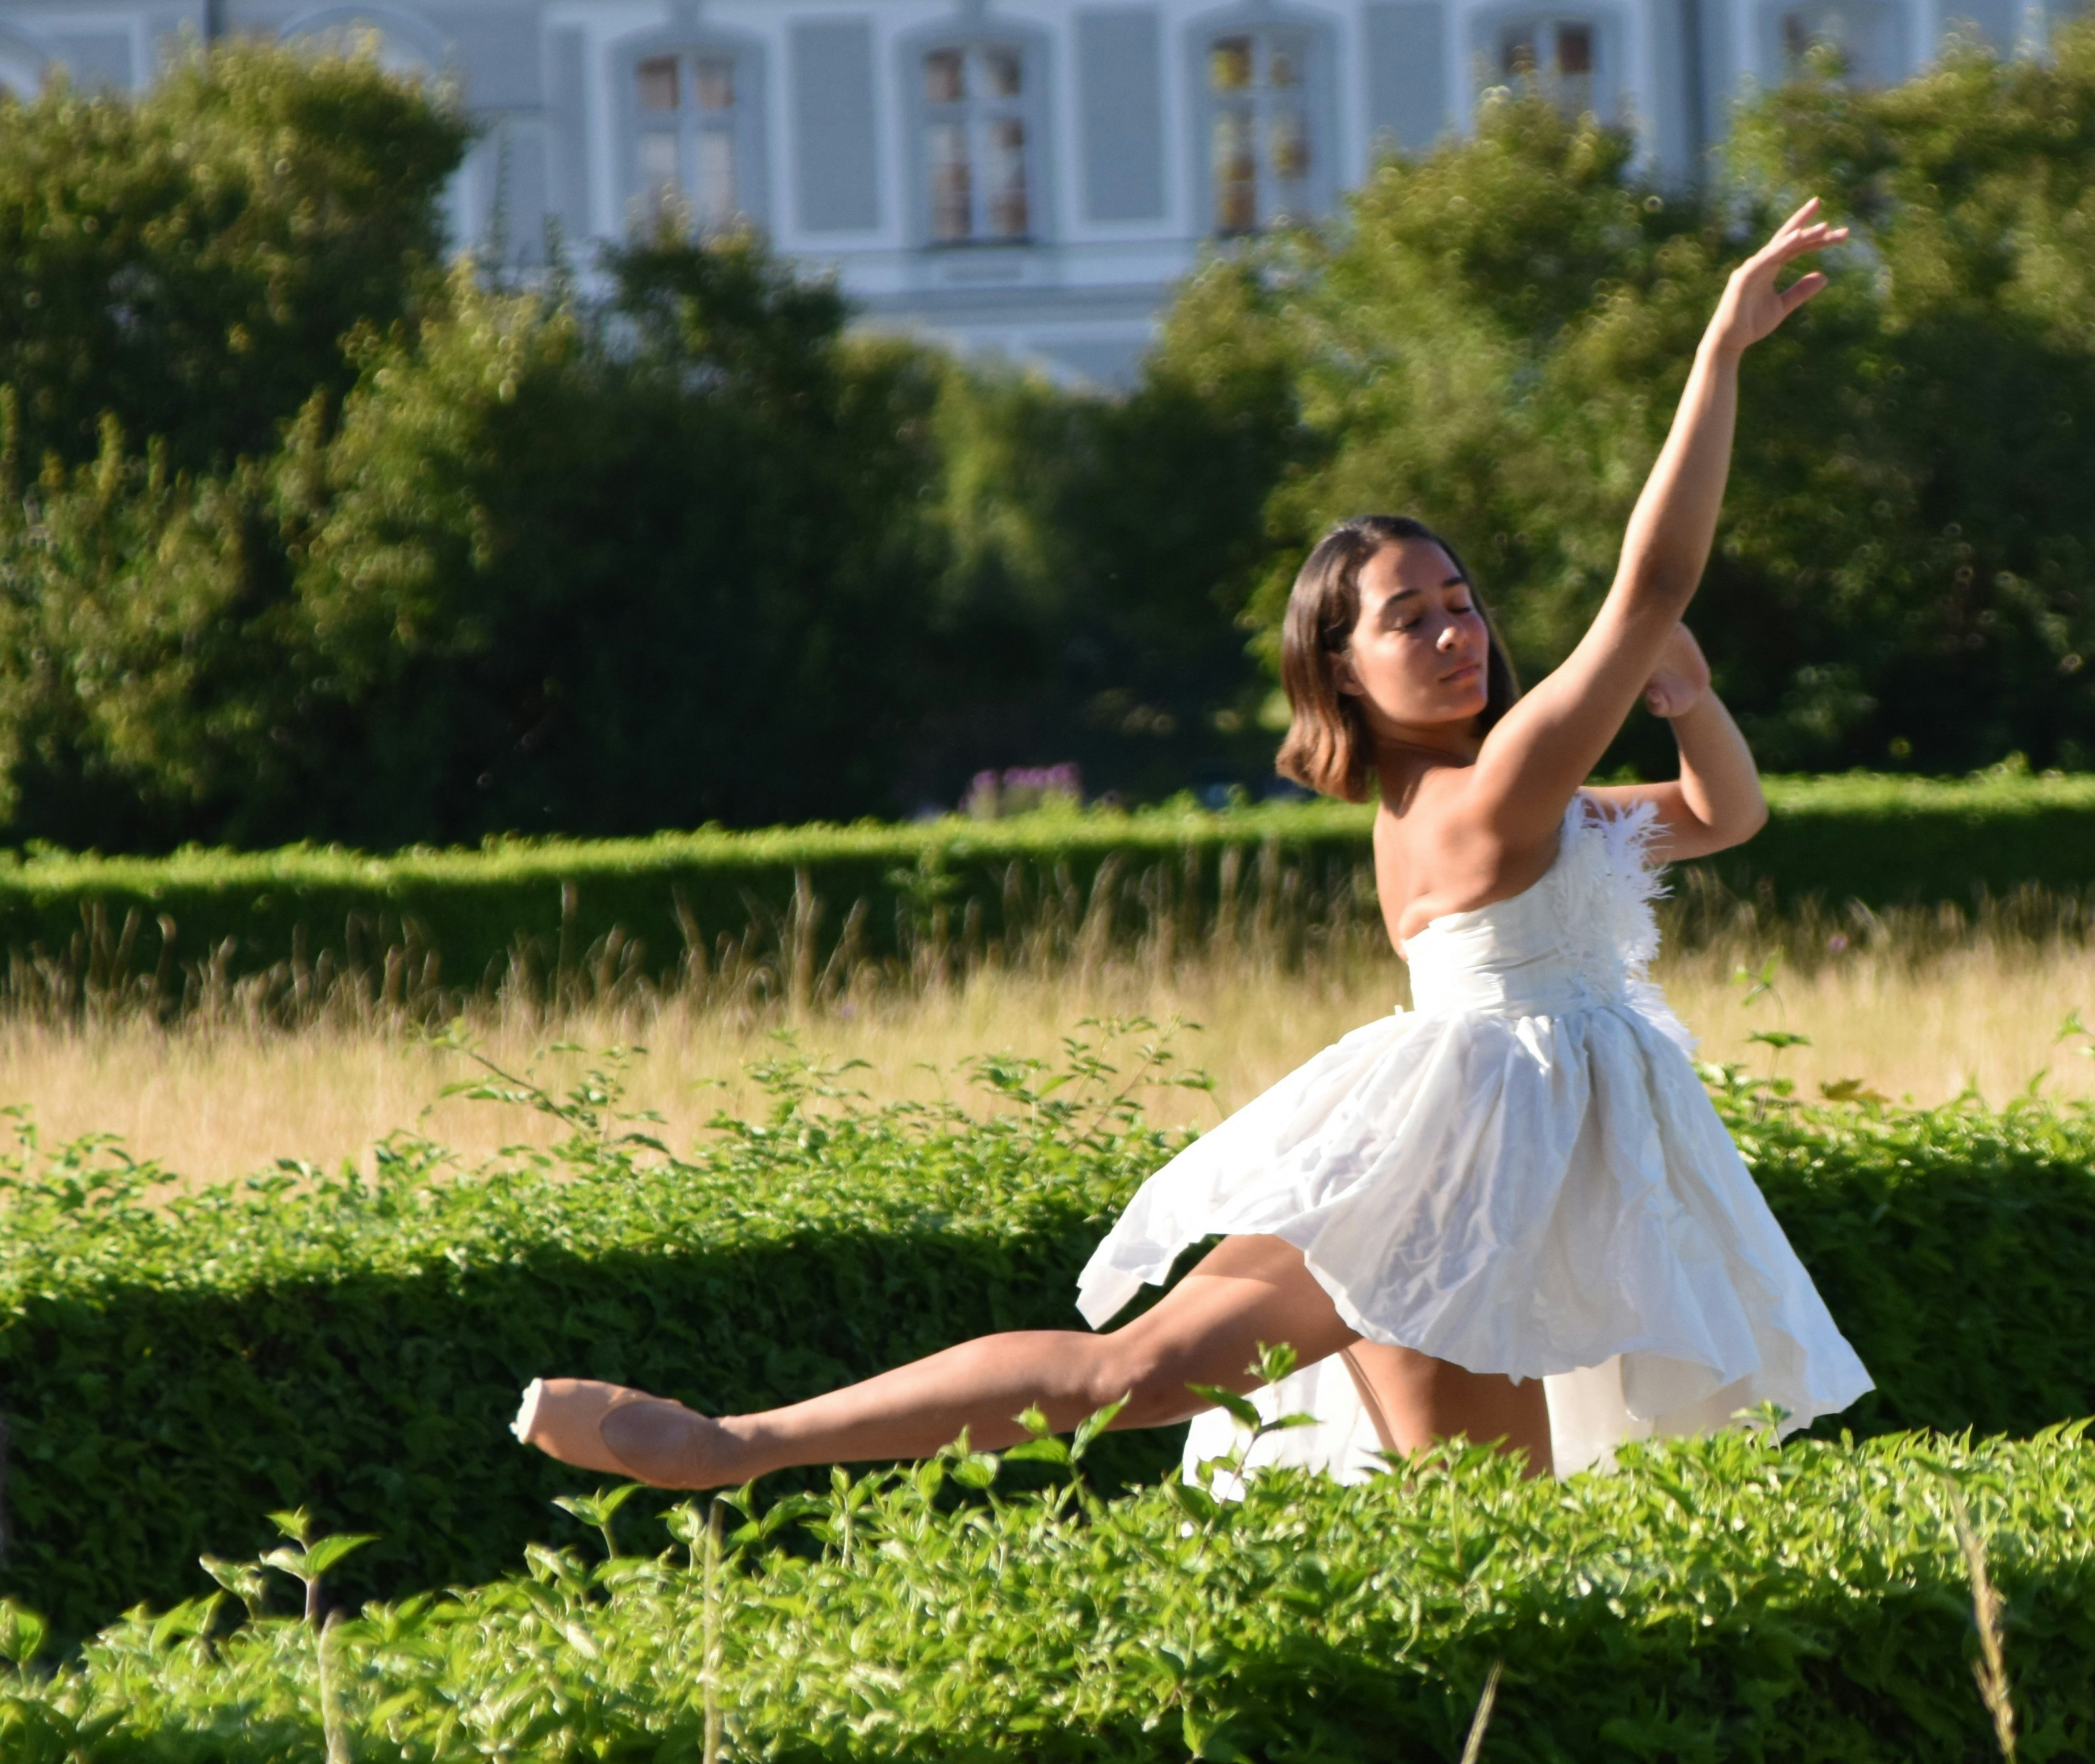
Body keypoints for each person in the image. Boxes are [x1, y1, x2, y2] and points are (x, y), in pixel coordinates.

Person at [517, 200, 1872, 1493]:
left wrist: (1691, 702)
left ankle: (738, 1441)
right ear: (1338, 673)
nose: (1456, 632)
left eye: (1460, 602)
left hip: (1466, 1165)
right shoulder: (1494, 793)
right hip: (1459, 1169)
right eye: (1410, 619)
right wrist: (1713, 355)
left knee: (1329, 1454)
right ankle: (733, 1442)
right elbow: (1654, 582)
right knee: (1190, 1389)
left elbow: (1719, 818)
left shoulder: (1506, 797)